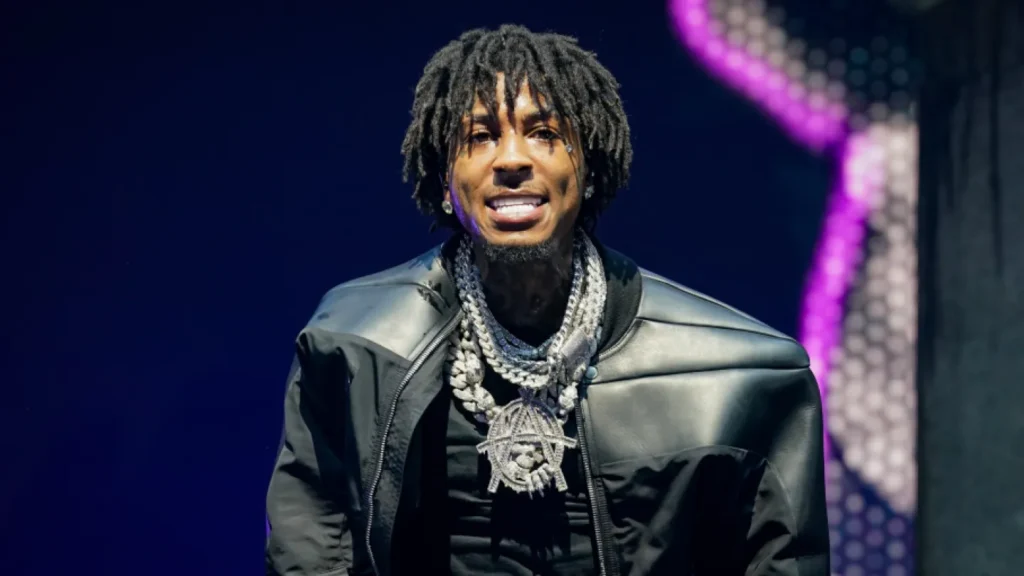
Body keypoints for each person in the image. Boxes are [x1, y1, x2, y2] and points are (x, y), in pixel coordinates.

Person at [265, 24, 828, 576]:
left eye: (543, 133)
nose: (511, 159)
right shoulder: (354, 346)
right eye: (480, 136)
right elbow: (312, 547)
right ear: (444, 180)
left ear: (587, 171)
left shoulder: (737, 375)